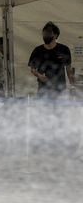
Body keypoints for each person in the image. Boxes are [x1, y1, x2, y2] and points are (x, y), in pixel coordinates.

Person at [28, 21, 76, 152]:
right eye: (44, 33)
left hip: (59, 88)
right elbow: (32, 69)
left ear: (55, 35)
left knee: (59, 115)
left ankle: (58, 142)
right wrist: (39, 75)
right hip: (44, 88)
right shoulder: (38, 50)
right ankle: (46, 142)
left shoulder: (63, 49)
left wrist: (72, 86)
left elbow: (69, 68)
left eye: (48, 33)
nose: (46, 35)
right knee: (44, 115)